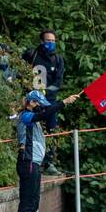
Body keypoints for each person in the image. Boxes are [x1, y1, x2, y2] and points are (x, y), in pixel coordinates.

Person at [12, 90, 80, 212]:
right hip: (27, 162)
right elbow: (43, 114)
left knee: (34, 200)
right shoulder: (25, 116)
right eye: (39, 104)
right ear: (31, 103)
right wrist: (64, 102)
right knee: (28, 201)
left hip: (33, 163)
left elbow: (45, 113)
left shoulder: (32, 116)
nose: (40, 107)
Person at [22, 31, 65, 172]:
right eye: (48, 40)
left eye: (53, 41)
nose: (51, 43)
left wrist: (46, 95)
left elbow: (58, 81)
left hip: (50, 102)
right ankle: (29, 159)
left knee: (52, 129)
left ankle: (49, 162)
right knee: (30, 129)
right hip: (32, 101)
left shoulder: (58, 59)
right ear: (42, 41)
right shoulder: (32, 55)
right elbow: (21, 72)